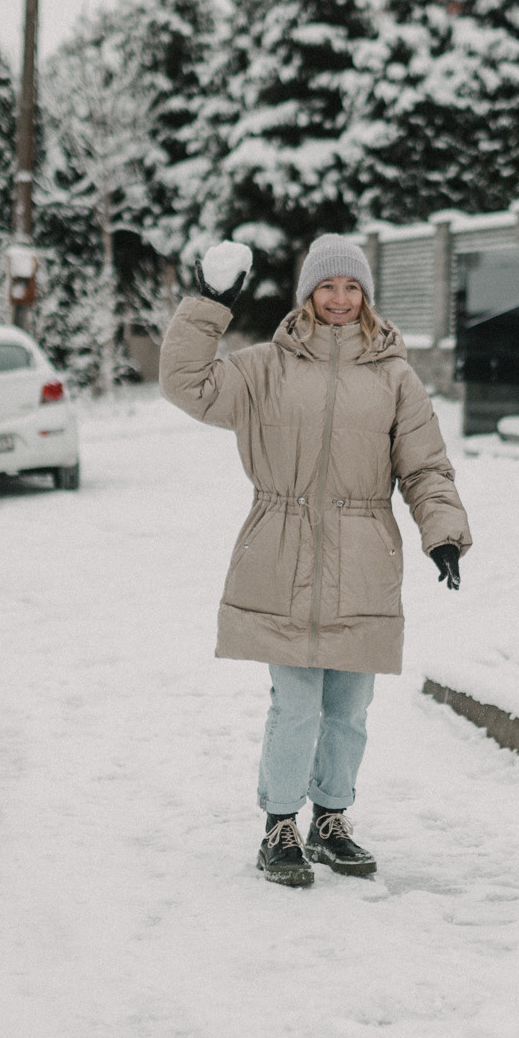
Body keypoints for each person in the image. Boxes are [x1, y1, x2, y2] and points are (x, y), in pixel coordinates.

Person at [161, 234, 471, 887]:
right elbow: (186, 383)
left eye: (351, 287)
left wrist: (443, 531)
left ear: (366, 295)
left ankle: (330, 820)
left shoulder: (394, 376)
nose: (339, 298)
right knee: (296, 704)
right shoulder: (265, 369)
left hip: (364, 557)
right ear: (308, 293)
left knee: (349, 708)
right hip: (284, 553)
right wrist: (210, 305)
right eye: (327, 286)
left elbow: (424, 466)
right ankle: (279, 825)